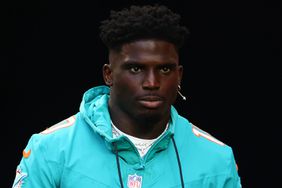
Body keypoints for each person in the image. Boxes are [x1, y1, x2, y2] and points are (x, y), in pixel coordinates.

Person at [12, 4, 241, 188]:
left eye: (164, 69)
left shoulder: (217, 159)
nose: (152, 83)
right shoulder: (50, 149)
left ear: (179, 75)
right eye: (135, 69)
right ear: (108, 74)